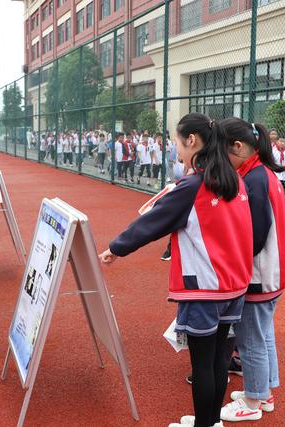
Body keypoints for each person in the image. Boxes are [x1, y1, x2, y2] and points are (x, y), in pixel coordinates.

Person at [99, 113, 253, 427]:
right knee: (218, 363)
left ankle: (204, 424)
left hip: (205, 288)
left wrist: (115, 248)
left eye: (177, 142)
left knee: (202, 367)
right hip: (234, 286)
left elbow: (151, 223)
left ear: (192, 141)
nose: (175, 149)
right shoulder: (233, 179)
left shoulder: (193, 185)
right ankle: (211, 423)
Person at [219, 118, 285, 423]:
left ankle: (252, 401)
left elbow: (256, 232)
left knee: (251, 340)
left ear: (237, 147)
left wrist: (231, 258)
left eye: (222, 150)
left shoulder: (254, 179)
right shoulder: (261, 172)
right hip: (273, 271)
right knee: (264, 336)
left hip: (262, 274)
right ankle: (263, 393)